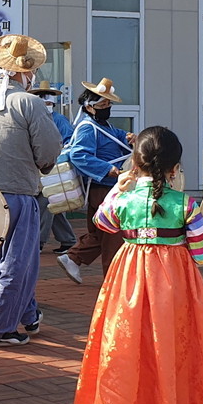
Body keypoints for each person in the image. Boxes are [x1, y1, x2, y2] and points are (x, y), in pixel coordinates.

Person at [70, 126, 203, 404]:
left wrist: (116, 190)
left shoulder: (125, 199)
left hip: (128, 281)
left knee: (127, 353)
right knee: (173, 355)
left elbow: (102, 223)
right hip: (175, 288)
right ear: (175, 168)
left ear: (137, 163)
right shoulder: (185, 204)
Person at [0, 35, 63, 346]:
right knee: (17, 264)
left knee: (6, 261)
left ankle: (28, 314)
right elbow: (48, 150)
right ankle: (1, 327)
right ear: (27, 71)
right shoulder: (29, 102)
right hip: (19, 192)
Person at [57, 78, 132, 285]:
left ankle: (72, 258)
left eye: (108, 104)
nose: (107, 108)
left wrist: (130, 138)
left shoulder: (105, 126)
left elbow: (119, 137)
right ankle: (115, 281)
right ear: (90, 107)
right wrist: (107, 169)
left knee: (100, 232)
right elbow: (79, 155)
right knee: (113, 235)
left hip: (107, 188)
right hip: (102, 188)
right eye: (102, 104)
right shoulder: (88, 128)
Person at [31, 80, 77, 254]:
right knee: (53, 205)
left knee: (46, 202)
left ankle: (38, 242)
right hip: (37, 168)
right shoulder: (34, 117)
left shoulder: (59, 120)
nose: (46, 105)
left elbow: (70, 141)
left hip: (54, 169)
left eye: (49, 103)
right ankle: (67, 239)